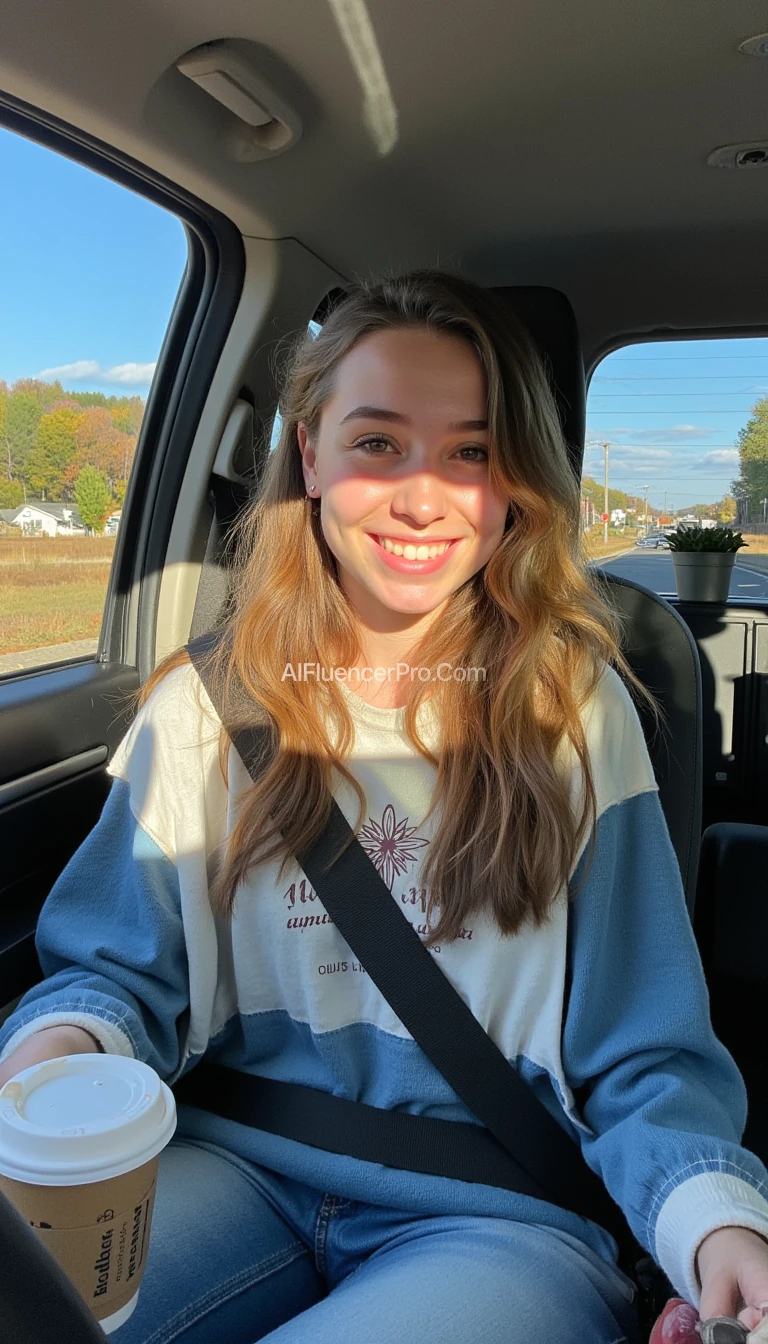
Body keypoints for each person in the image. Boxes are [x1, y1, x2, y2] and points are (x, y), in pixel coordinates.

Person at [1, 272, 767, 1344]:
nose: (425, 494)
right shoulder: (201, 707)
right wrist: (53, 1064)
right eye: (377, 444)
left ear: (513, 485)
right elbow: (115, 974)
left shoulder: (578, 712)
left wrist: (715, 1228)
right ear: (310, 455)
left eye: (470, 451)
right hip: (229, 1157)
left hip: (498, 1213)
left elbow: (642, 1049)